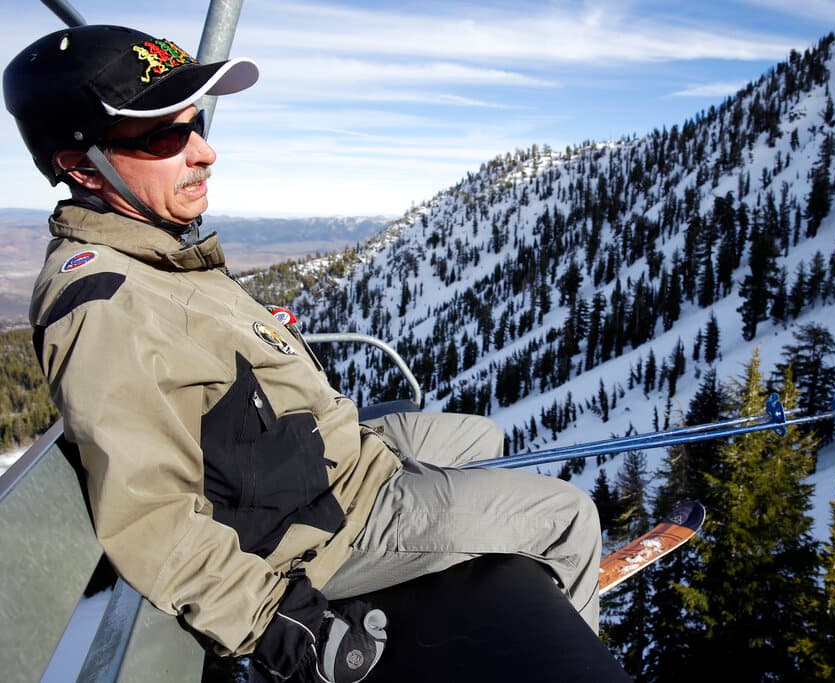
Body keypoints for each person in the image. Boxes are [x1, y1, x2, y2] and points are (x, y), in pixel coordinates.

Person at [3, 24, 601, 683]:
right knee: (569, 518)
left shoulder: (157, 250)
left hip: (326, 466)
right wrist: (279, 626)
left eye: (195, 122)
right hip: (324, 529)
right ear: (82, 165)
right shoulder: (106, 307)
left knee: (479, 433)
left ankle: (466, 544)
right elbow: (150, 516)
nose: (204, 152)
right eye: (167, 137)